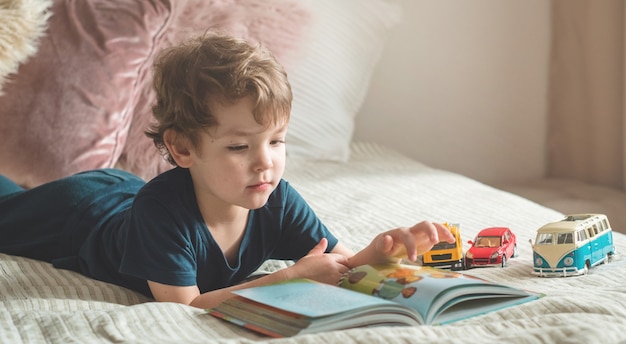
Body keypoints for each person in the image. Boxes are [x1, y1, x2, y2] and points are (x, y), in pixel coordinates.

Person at [0, 32, 455, 309]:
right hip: (81, 211)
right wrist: (288, 277)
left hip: (122, 191)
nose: (265, 161)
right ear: (182, 148)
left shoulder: (276, 196)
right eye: (240, 146)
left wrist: (378, 252)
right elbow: (186, 305)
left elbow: (331, 265)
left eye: (276, 141)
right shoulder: (162, 211)